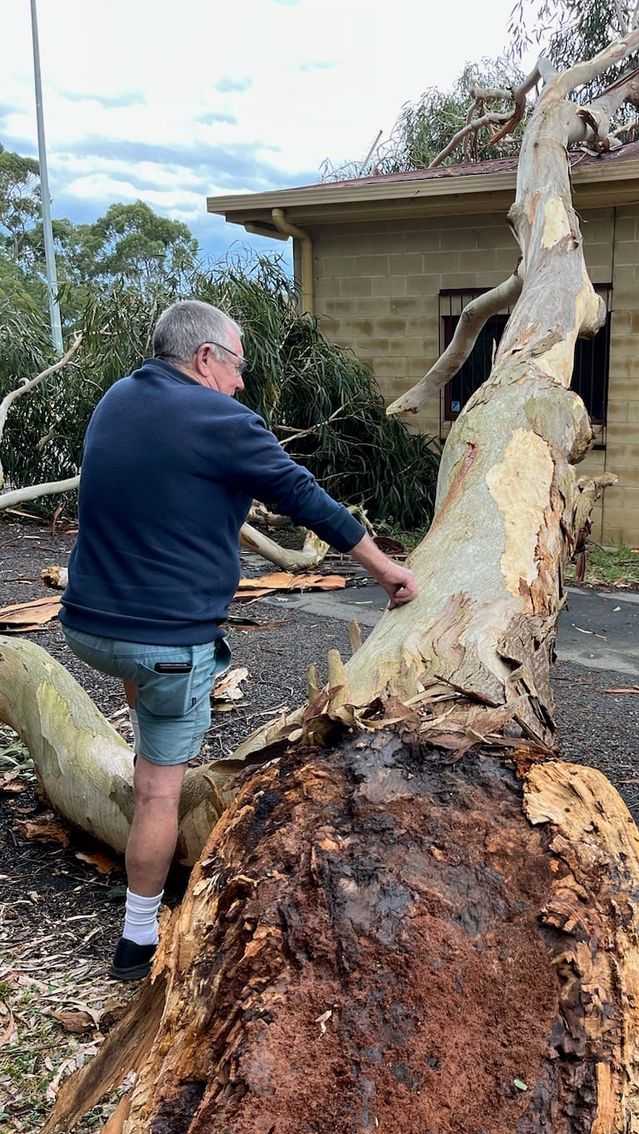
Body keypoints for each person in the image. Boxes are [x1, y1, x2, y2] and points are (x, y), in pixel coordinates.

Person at [60, 300, 418, 981]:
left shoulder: (116, 398)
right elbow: (305, 497)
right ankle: (137, 938)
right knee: (159, 793)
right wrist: (385, 568)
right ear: (204, 358)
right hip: (161, 640)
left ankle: (145, 726)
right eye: (238, 366)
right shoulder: (222, 418)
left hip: (84, 624)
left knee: (149, 704)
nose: (242, 382)